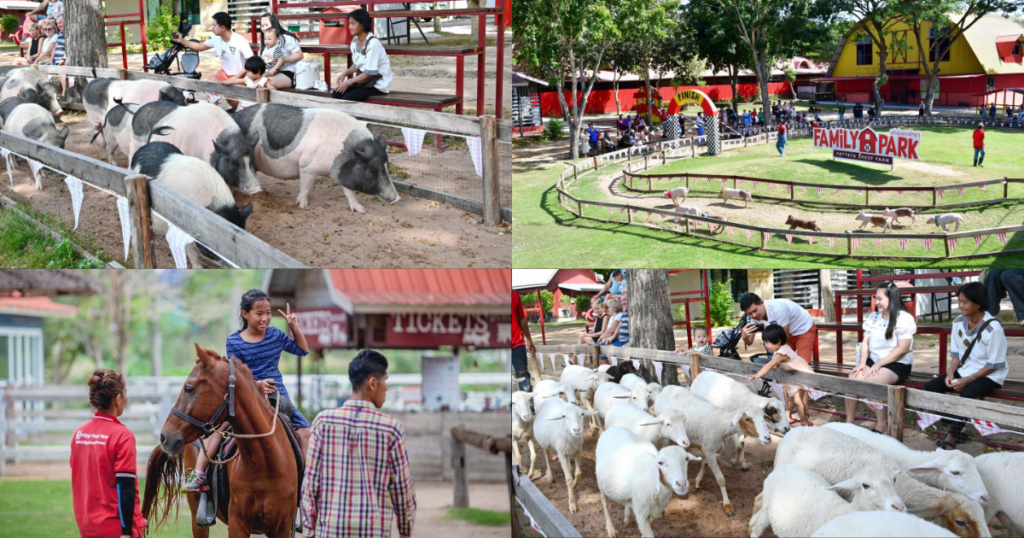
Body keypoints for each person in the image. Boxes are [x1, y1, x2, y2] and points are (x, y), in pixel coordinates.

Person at [184, 290, 310, 492]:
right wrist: (257, 385)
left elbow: (303, 350)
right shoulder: (234, 341)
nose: (265, 318)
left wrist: (294, 327)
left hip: (276, 395)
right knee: (220, 427)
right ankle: (198, 475)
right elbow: (237, 373)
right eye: (259, 313)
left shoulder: (276, 335)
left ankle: (305, 485)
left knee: (305, 432)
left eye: (268, 313)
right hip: (246, 394)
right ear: (245, 314)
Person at [301, 350, 417, 538]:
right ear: (372, 383)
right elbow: (403, 492)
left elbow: (310, 484)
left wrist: (308, 531)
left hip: (330, 531)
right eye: (385, 381)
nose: (386, 388)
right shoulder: (391, 429)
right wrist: (405, 530)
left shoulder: (323, 422)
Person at [923, 282, 1008, 450]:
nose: (960, 305)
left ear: (978, 303)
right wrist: (950, 374)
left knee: (968, 394)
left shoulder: (993, 328)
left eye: (965, 302)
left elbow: (993, 364)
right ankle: (956, 423)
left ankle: (952, 436)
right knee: (930, 387)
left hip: (990, 374)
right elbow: (956, 354)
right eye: (959, 301)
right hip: (965, 369)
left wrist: (967, 380)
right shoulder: (958, 323)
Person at [70, 369, 146, 538]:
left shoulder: (79, 434)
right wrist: (126, 532)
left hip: (87, 527)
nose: (126, 399)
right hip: (116, 529)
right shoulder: (122, 436)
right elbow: (125, 487)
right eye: (125, 394)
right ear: (118, 399)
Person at [846, 283, 916, 434]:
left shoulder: (904, 318)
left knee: (870, 382)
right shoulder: (874, 316)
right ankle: (849, 421)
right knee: (852, 379)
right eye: (875, 298)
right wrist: (862, 363)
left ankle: (882, 424)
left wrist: (879, 364)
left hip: (896, 363)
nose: (876, 302)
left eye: (879, 299)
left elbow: (902, 349)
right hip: (874, 360)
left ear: (892, 298)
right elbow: (865, 342)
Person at [173, 12, 253, 110]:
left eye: (214, 25)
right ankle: (214, 112)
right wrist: (182, 41)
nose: (212, 28)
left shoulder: (240, 41)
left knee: (232, 100)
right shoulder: (215, 38)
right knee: (209, 86)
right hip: (224, 72)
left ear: (222, 28)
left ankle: (236, 108)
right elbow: (200, 46)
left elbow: (250, 63)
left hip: (240, 75)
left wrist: (235, 78)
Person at [749, 324, 813, 427]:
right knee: (798, 399)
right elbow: (780, 361)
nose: (766, 345)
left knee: (798, 401)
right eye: (765, 342)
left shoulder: (781, 353)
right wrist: (777, 364)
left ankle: (804, 422)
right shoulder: (784, 348)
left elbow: (769, 364)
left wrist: (758, 375)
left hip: (802, 376)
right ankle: (799, 418)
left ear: (778, 341)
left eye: (767, 342)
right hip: (797, 375)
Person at [740, 293, 817, 366]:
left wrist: (776, 356)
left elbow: (784, 338)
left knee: (802, 364)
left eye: (755, 310)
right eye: (749, 314)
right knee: (781, 364)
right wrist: (744, 336)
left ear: (762, 303)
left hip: (803, 328)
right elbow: (749, 342)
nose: (753, 315)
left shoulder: (777, 308)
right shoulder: (753, 318)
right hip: (785, 333)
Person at [332, 9, 390, 101]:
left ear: (363, 24)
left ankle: (353, 115)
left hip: (377, 84)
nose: (350, 27)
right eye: (349, 23)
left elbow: (369, 73)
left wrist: (348, 82)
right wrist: (345, 73)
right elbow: (356, 65)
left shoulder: (373, 43)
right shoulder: (355, 41)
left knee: (348, 98)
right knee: (336, 94)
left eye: (353, 23)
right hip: (364, 82)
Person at [258, 13, 303, 89]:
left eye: (266, 25)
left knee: (265, 83)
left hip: (289, 72)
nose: (264, 28)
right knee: (253, 81)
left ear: (274, 24)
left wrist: (282, 60)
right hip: (271, 71)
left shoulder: (286, 38)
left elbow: (299, 55)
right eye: (262, 26)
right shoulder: (264, 41)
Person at [512, 290, 535, 392]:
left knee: (523, 375)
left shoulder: (514, 294)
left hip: (517, 342)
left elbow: (521, 317)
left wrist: (529, 339)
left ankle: (528, 405)